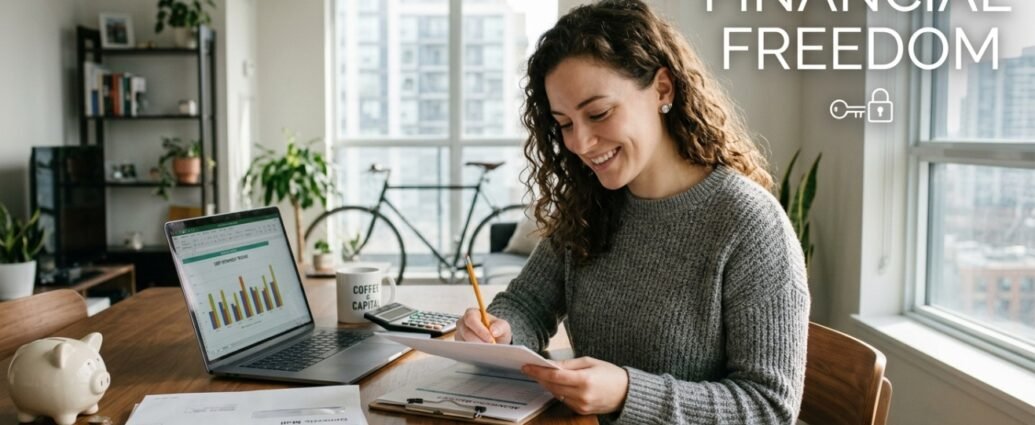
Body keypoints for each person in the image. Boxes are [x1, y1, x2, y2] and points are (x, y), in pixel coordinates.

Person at [455, 0, 810, 424]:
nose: (580, 143)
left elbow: (770, 408)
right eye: (564, 123)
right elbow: (529, 302)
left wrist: (628, 393)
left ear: (663, 89)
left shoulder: (749, 225)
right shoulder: (592, 204)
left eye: (599, 113)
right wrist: (500, 331)